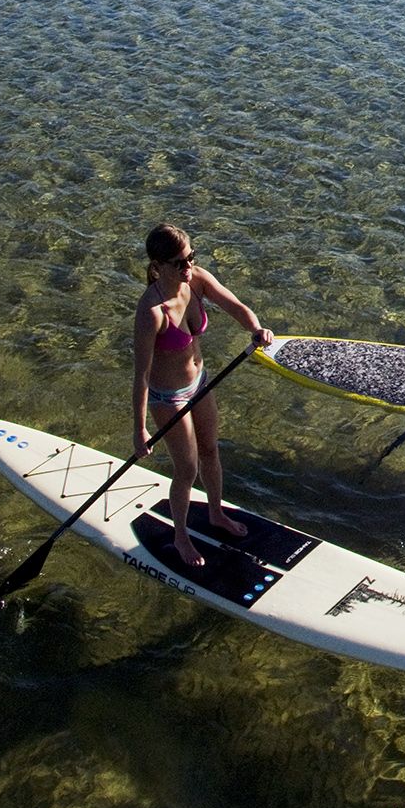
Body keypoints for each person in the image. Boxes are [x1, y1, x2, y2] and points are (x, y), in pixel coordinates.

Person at [132, 223, 273, 567]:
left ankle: (215, 514)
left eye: (191, 258)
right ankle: (180, 536)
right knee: (187, 469)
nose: (188, 267)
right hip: (169, 397)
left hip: (200, 383)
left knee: (211, 450)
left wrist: (256, 328)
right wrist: (139, 430)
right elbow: (142, 375)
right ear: (158, 265)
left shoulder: (196, 281)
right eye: (179, 263)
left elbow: (236, 305)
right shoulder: (151, 312)